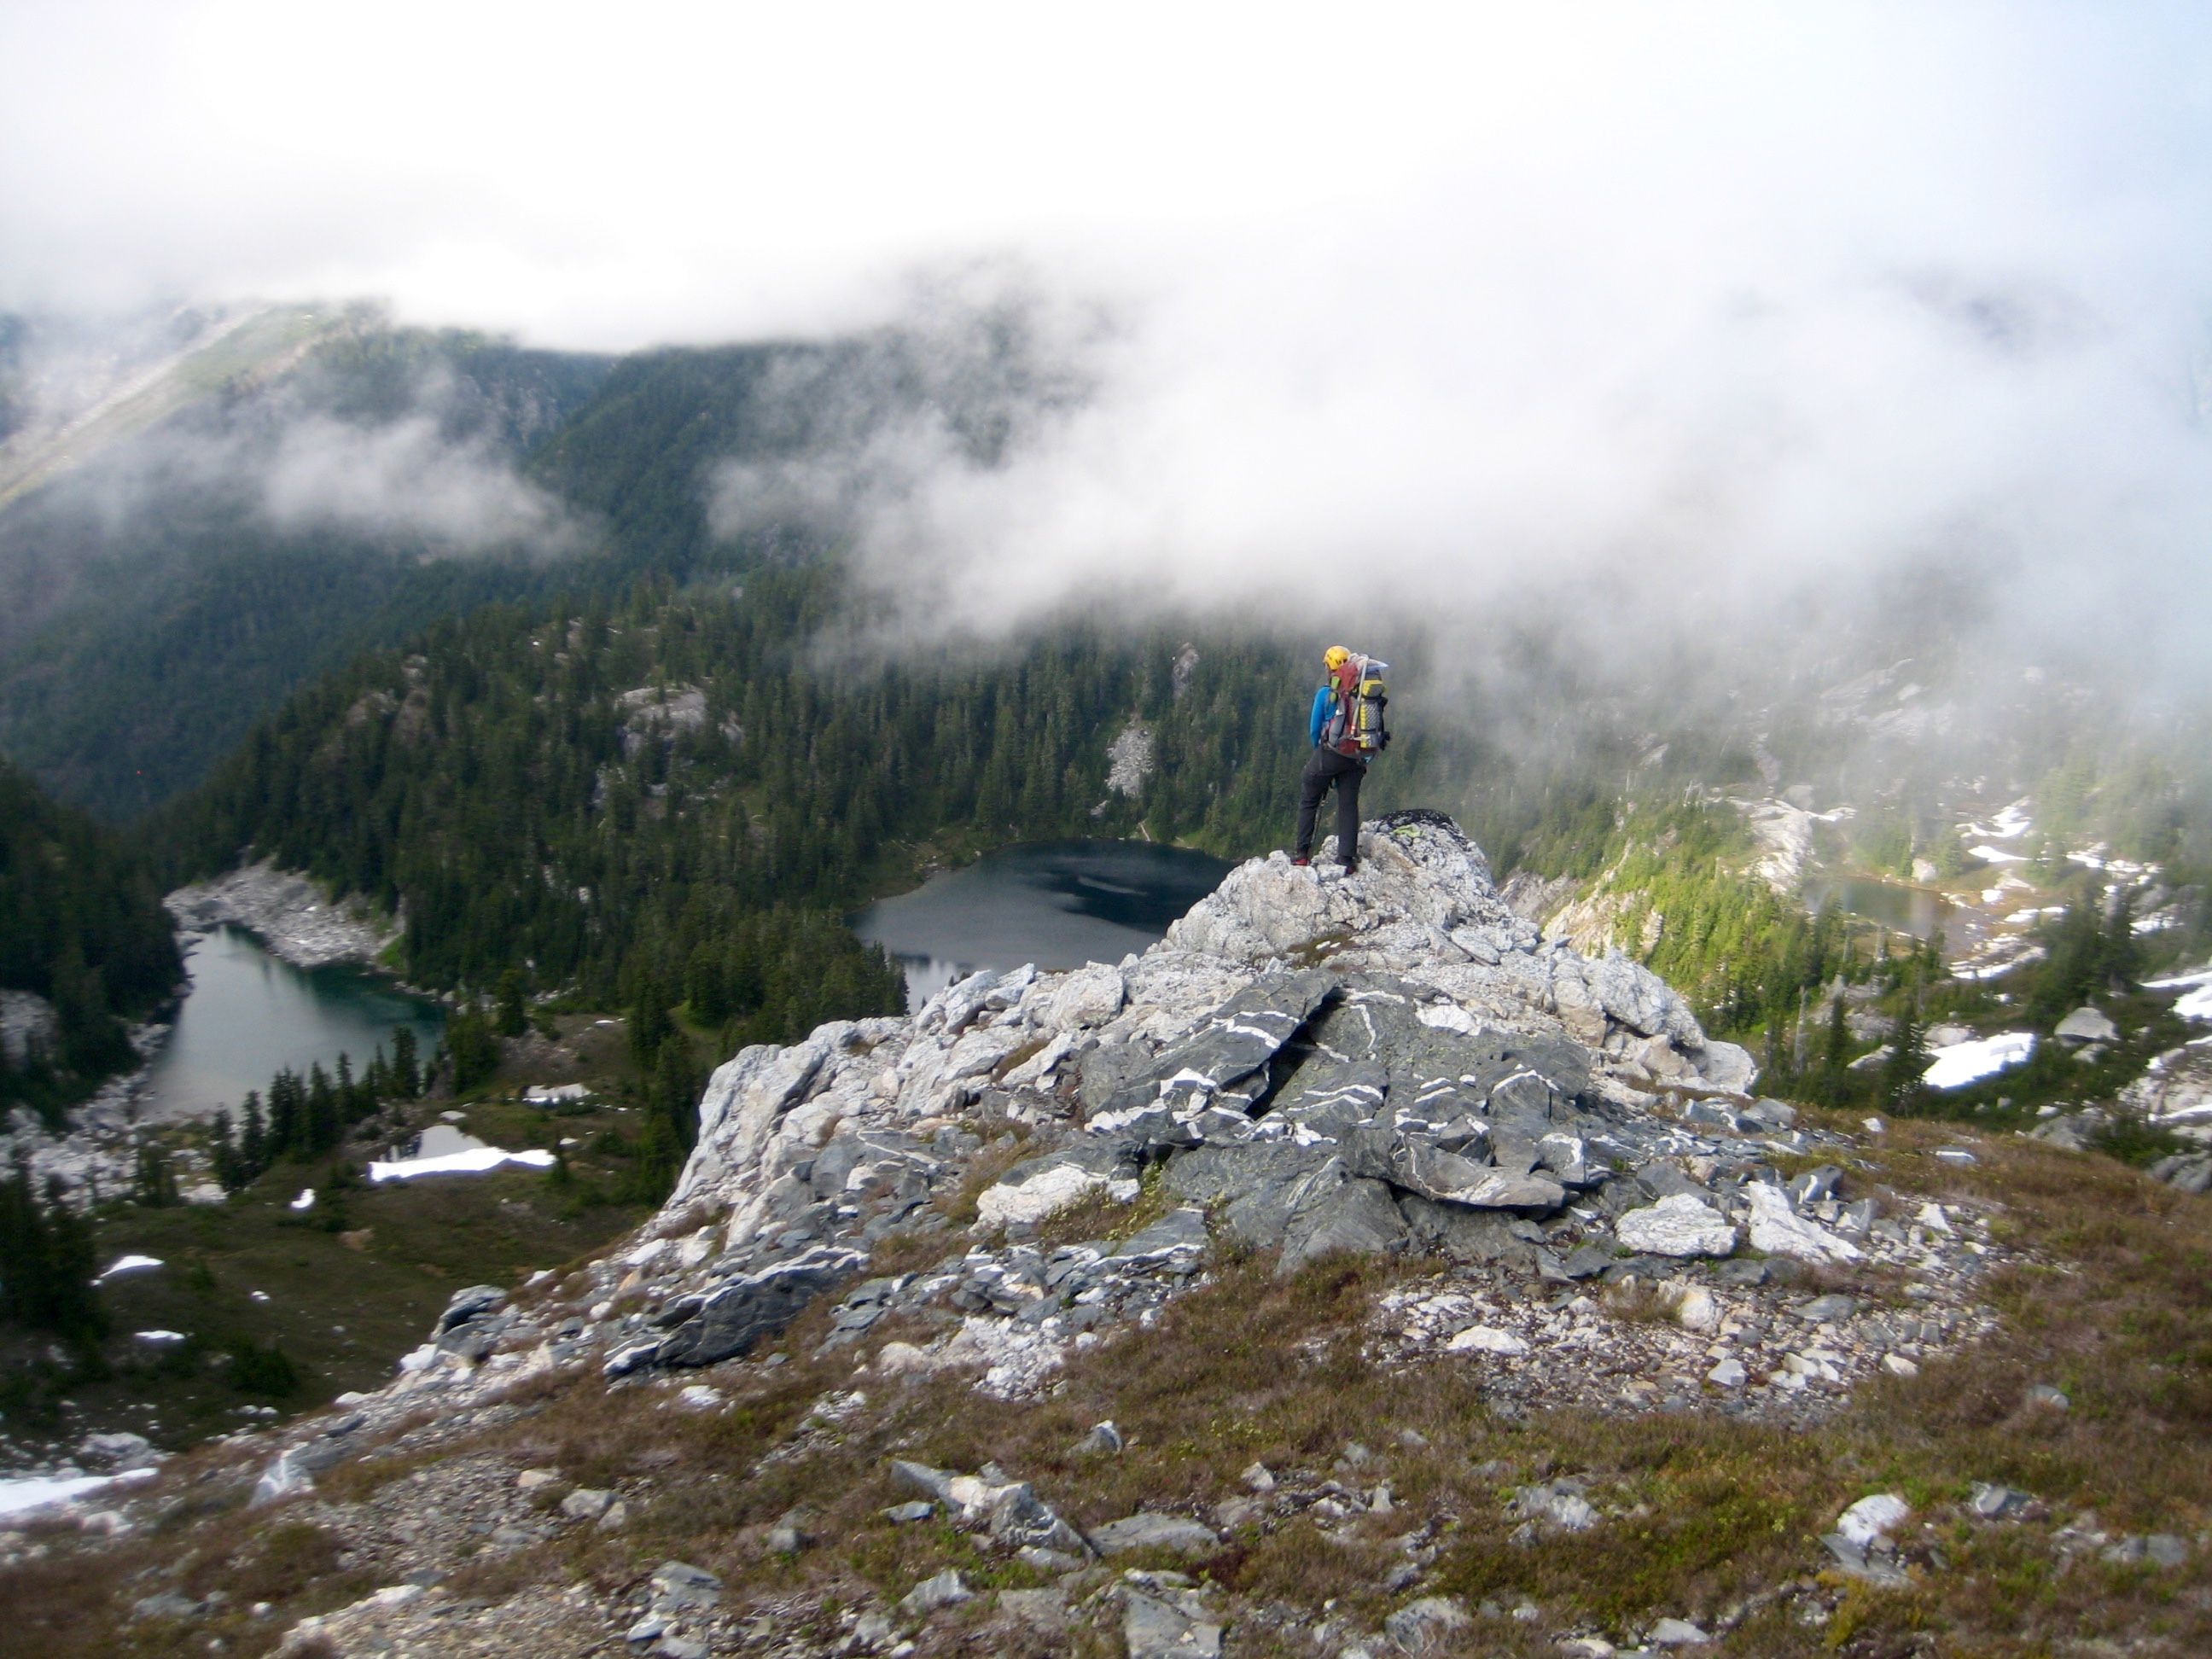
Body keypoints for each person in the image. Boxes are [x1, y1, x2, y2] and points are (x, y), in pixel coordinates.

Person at [1294, 645, 1368, 873]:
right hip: (1356, 757)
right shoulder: (1362, 694)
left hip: (1330, 753)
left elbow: (1315, 729)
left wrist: (1321, 751)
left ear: (1330, 667)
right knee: (1348, 805)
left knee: (1310, 799)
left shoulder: (1326, 694)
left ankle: (1302, 856)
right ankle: (1346, 859)